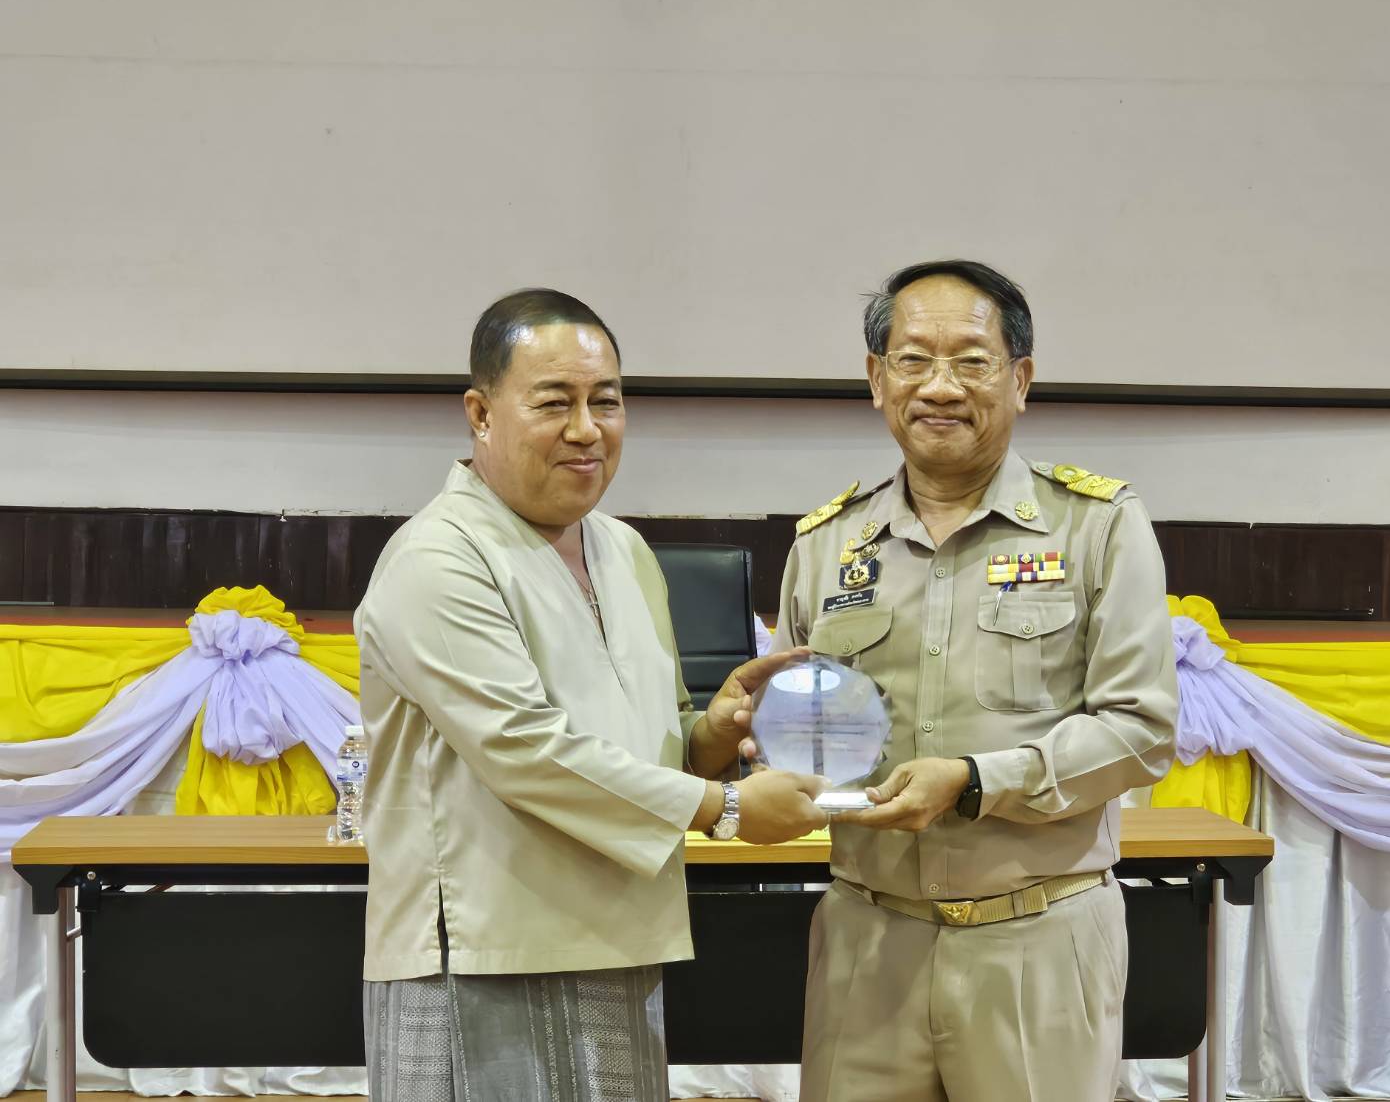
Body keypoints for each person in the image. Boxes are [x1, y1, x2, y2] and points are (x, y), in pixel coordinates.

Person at [354, 288, 826, 1102]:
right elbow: (525, 750)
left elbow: (643, 737)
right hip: (483, 952)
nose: (586, 429)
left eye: (604, 401)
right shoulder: (437, 557)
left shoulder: (622, 546)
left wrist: (711, 732)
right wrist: (731, 809)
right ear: (480, 412)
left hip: (619, 937)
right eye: (554, 402)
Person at [770, 260, 1179, 1100]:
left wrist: (974, 783)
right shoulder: (824, 545)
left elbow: (1140, 729)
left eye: (970, 359)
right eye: (912, 359)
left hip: (1036, 938)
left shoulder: (1095, 526)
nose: (939, 386)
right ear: (876, 380)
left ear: (1019, 379)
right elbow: (798, 733)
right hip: (866, 941)